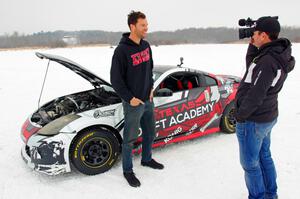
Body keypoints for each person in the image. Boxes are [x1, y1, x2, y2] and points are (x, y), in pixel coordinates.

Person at [235, 16, 295, 199]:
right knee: (264, 157)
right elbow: (251, 66)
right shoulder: (275, 54)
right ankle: (271, 194)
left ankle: (259, 196)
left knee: (250, 164)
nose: (252, 35)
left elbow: (256, 94)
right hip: (266, 116)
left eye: (255, 33)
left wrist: (240, 115)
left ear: (264, 35)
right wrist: (253, 43)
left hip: (253, 120)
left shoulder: (267, 61)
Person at [110, 11, 164, 188]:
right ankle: (128, 171)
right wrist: (130, 98)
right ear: (132, 26)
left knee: (150, 133)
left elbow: (150, 69)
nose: (146, 28)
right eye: (143, 25)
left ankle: (147, 159)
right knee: (130, 139)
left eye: (146, 25)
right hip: (133, 103)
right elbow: (116, 80)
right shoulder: (121, 51)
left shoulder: (146, 46)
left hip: (147, 99)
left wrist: (150, 89)